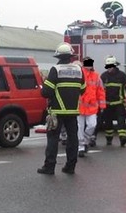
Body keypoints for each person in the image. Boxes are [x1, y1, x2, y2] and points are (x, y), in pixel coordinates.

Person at [39, 43, 84, 175]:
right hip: (72, 111)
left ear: (58, 56)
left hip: (57, 111)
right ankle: (70, 166)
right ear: (71, 56)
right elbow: (83, 89)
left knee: (53, 139)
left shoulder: (55, 70)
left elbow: (46, 92)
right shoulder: (78, 70)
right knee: (72, 139)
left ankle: (49, 167)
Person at [100, 55, 126, 146]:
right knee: (108, 122)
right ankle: (109, 138)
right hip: (107, 104)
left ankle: (122, 138)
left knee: (121, 121)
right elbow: (100, 90)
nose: (109, 68)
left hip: (119, 103)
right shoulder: (104, 76)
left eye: (111, 66)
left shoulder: (122, 76)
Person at [77, 56, 105, 157]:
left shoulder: (96, 76)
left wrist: (102, 105)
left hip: (92, 107)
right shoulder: (79, 74)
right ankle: (81, 147)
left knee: (92, 125)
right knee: (79, 127)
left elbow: (100, 91)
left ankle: (85, 141)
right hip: (79, 107)